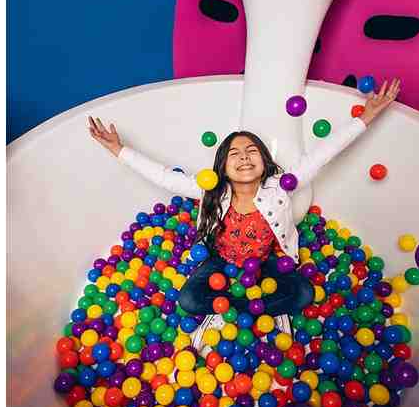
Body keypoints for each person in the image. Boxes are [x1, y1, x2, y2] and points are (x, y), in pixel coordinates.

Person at [89, 78, 400, 347]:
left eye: (252, 151)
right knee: (187, 300)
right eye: (234, 154)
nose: (244, 158)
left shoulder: (280, 186)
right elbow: (164, 177)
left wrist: (366, 117)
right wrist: (119, 150)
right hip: (221, 262)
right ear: (222, 167)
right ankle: (257, 310)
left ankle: (231, 311)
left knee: (305, 293)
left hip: (268, 261)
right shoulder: (211, 190)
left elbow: (321, 156)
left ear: (264, 161)